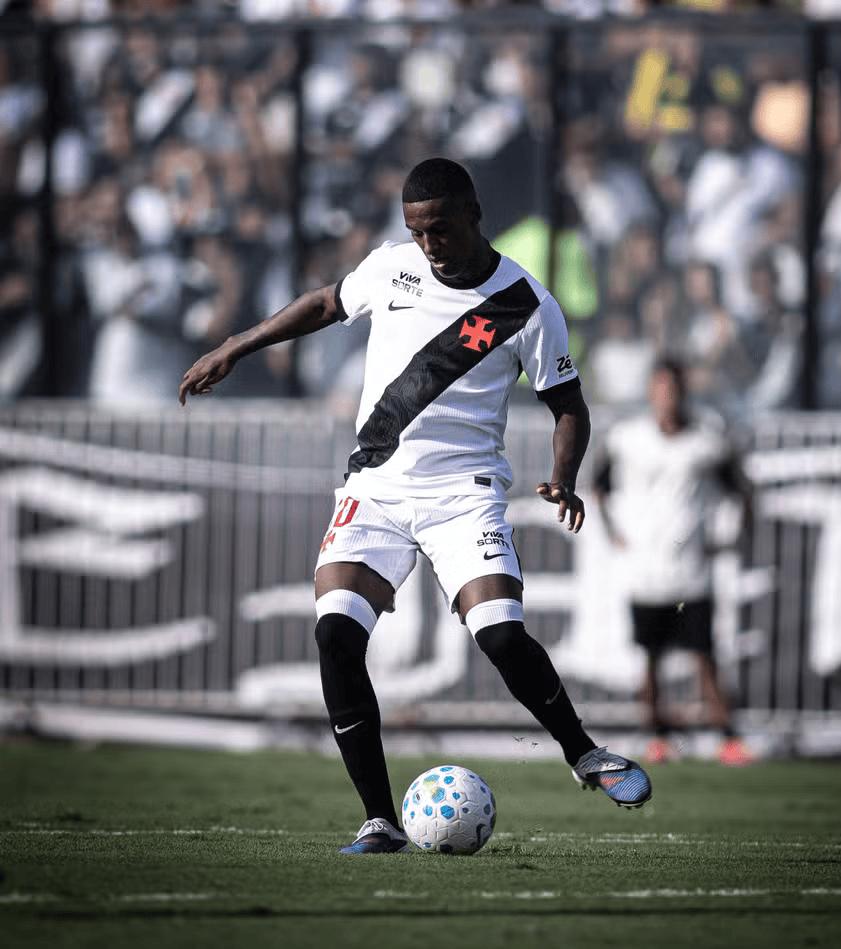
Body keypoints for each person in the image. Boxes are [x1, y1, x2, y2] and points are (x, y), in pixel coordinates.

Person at [179, 158, 652, 854]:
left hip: (464, 494)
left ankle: (584, 753)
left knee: (499, 636)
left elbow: (568, 406)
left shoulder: (526, 303)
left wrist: (563, 474)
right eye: (416, 230)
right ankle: (378, 819)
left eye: (438, 228)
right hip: (375, 488)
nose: (428, 243)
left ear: (472, 214)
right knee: (336, 635)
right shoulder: (391, 268)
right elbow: (322, 303)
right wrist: (236, 345)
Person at [593, 358, 753, 767]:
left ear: (684, 391)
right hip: (644, 572)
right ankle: (657, 737)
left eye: (675, 388)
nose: (668, 397)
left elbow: (743, 489)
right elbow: (599, 486)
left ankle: (727, 737)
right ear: (651, 392)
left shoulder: (707, 439)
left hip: (691, 572)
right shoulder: (627, 439)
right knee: (649, 657)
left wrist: (732, 537)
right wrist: (613, 532)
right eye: (661, 388)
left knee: (704, 655)